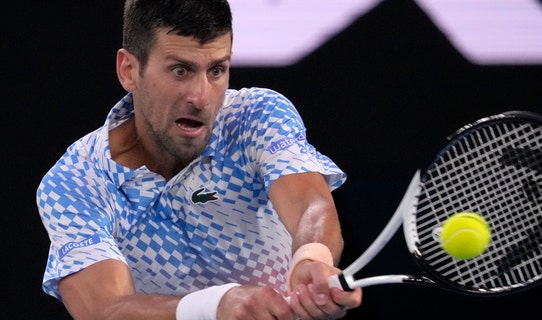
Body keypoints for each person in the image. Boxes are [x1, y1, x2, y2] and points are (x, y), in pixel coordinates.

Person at [36, 0, 362, 319]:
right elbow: (105, 310)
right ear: (129, 70)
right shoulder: (76, 182)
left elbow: (311, 205)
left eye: (217, 70)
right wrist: (214, 306)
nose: (201, 97)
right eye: (180, 70)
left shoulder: (256, 117)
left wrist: (310, 258)